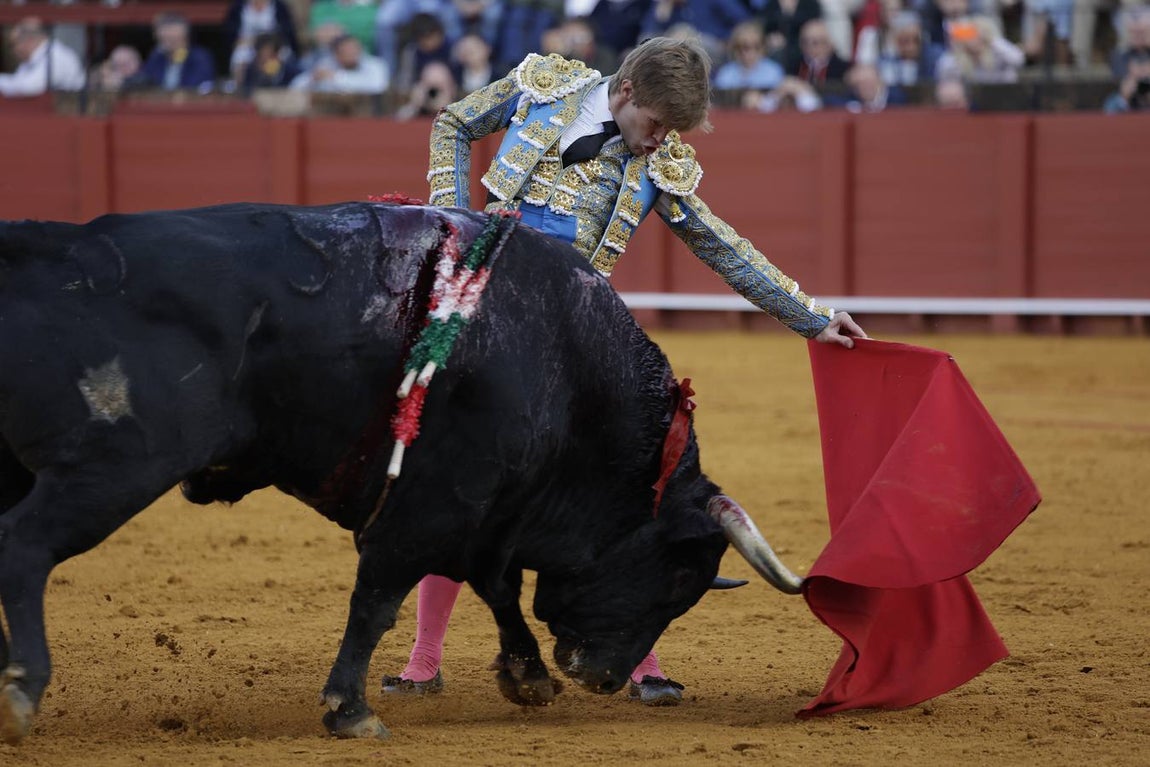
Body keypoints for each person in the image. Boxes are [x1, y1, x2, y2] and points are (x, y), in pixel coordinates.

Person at [387, 37, 866, 707]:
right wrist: (457, 214)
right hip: (486, 319)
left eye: (671, 131)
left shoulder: (660, 166)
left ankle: (643, 660)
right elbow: (453, 122)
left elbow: (722, 245)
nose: (659, 141)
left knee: (616, 496)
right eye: (655, 125)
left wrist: (813, 316)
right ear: (627, 92)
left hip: (573, 340)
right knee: (463, 480)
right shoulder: (544, 86)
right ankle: (423, 657)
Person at [0, 17, 85, 98]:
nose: (13, 50)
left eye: (13, 44)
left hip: (69, 111)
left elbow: (29, 89)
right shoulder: (31, 60)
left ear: (29, 40)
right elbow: (16, 81)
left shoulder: (56, 55)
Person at [137, 12, 217, 91]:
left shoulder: (199, 57)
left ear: (185, 37)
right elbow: (146, 83)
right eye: (164, 39)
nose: (169, 43)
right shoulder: (157, 57)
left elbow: (196, 87)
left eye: (173, 38)